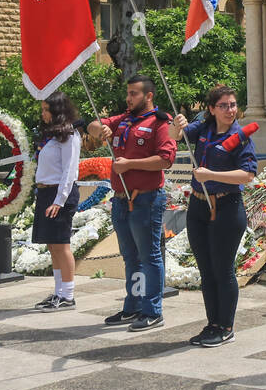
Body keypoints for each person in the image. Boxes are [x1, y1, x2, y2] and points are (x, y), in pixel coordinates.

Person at [171, 85, 257, 347]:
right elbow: (175, 137)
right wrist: (177, 125)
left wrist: (211, 175)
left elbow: (247, 175)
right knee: (206, 270)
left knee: (223, 269)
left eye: (232, 105)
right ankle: (212, 324)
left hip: (227, 207)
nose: (230, 110)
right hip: (198, 207)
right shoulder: (205, 129)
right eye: (223, 105)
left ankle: (226, 326)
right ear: (211, 109)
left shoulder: (240, 136)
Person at [89, 75, 176, 331]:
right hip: (120, 199)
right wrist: (99, 129)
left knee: (149, 257)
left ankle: (152, 311)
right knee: (131, 257)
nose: (128, 98)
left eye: (134, 93)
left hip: (146, 198)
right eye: (128, 93)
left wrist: (130, 164)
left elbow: (165, 159)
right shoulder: (124, 119)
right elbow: (93, 125)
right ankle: (133, 306)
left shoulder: (160, 122)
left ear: (149, 96)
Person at [33, 92, 83, 310]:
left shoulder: (70, 135)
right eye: (43, 109)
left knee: (62, 245)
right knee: (53, 245)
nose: (43, 114)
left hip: (60, 194)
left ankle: (68, 294)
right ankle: (58, 291)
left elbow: (69, 172)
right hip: (46, 194)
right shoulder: (51, 136)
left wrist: (59, 201)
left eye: (47, 110)